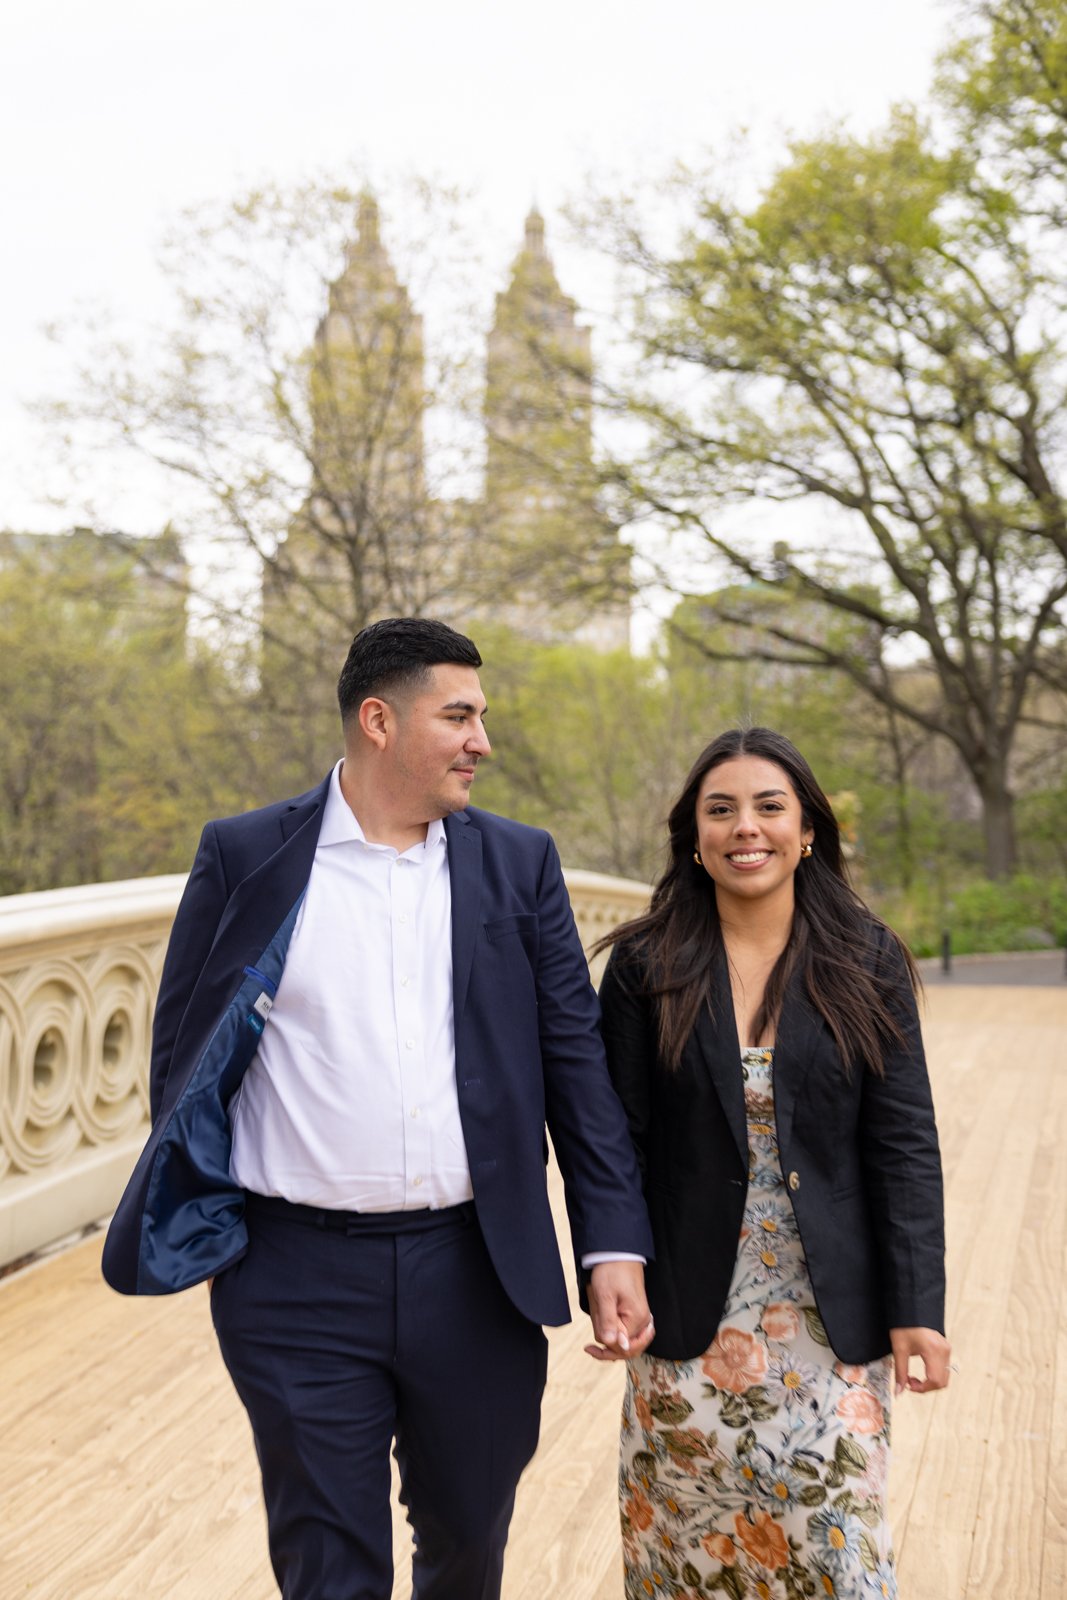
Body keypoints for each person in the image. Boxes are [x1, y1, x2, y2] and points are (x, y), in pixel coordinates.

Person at [102, 616, 654, 1600]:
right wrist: (211, 1220)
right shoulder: (244, 856)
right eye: (459, 715)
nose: (482, 739)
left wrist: (610, 1239)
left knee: (467, 1538)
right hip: (292, 1278)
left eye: (480, 717)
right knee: (328, 1563)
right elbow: (182, 1060)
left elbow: (574, 1064)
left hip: (475, 1270)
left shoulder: (517, 864)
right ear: (378, 720)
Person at [592, 726, 948, 1600]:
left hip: (833, 1322)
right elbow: (614, 1143)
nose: (743, 828)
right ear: (694, 835)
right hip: (685, 1317)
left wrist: (918, 1307)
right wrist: (611, 1267)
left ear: (807, 830)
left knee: (837, 1554)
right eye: (720, 811)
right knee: (691, 1559)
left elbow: (903, 1144)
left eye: (767, 807)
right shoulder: (644, 964)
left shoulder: (866, 961)